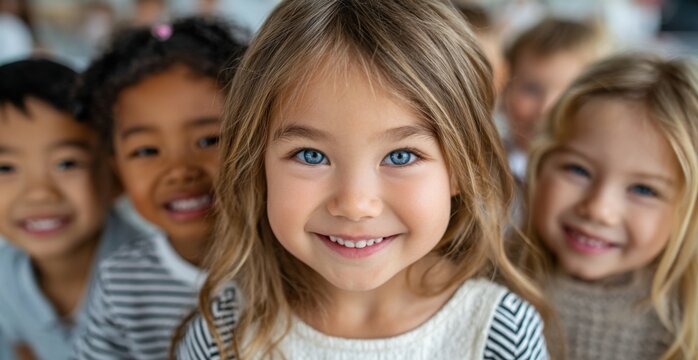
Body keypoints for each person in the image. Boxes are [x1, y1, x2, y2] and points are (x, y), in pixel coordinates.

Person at [174, 1, 550, 359]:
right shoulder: (221, 335)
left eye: (400, 156)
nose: (354, 203)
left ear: (461, 169)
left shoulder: (498, 332)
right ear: (258, 166)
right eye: (311, 155)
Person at [72, 17, 246, 359]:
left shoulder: (297, 262)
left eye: (209, 139)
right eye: (147, 151)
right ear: (116, 169)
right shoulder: (121, 284)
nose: (180, 170)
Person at [519, 53, 698, 360]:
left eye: (643, 189)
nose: (599, 209)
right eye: (578, 170)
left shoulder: (686, 324)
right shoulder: (481, 279)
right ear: (540, 163)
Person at [0, 58, 143, 360]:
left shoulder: (157, 280)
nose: (39, 193)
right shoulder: (4, 277)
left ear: (115, 174)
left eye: (66, 163)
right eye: (6, 168)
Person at [502, 17, 609, 181]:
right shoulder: (483, 166)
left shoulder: (595, 179)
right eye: (532, 89)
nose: (546, 108)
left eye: (567, 94)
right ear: (505, 90)